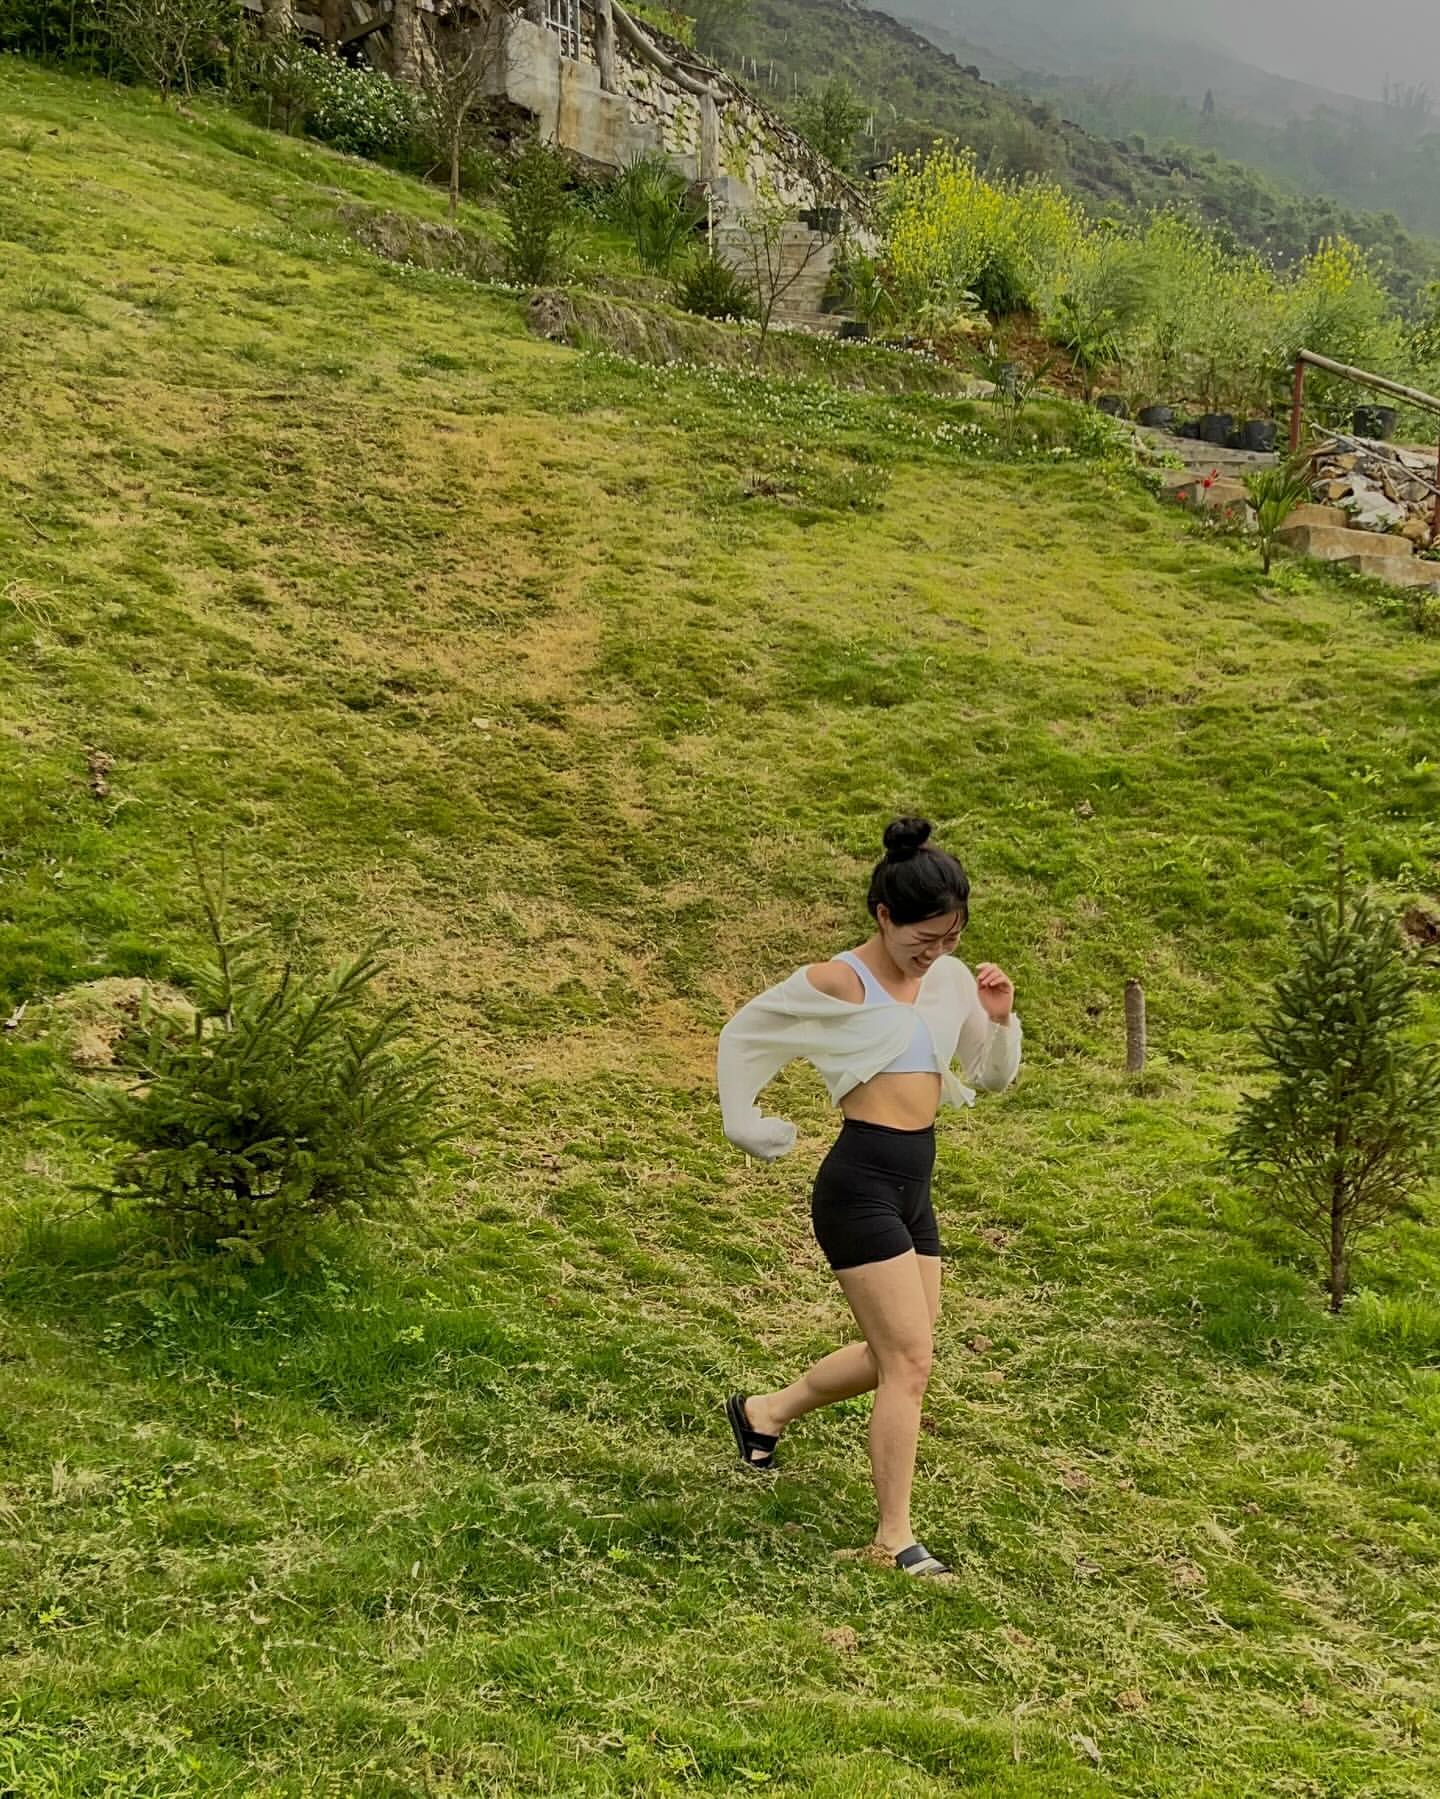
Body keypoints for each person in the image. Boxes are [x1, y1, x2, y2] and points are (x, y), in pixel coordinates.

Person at [715, 817, 1021, 1580]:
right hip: (859, 1185)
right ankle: (893, 1538)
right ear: (884, 915)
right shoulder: (835, 982)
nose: (937, 950)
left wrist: (1000, 1018)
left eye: (951, 936)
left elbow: (989, 1077)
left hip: (916, 1183)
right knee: (909, 1360)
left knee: (898, 1352)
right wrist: (746, 1123)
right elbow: (743, 1036)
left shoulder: (949, 980)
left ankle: (763, 1412)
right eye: (925, 936)